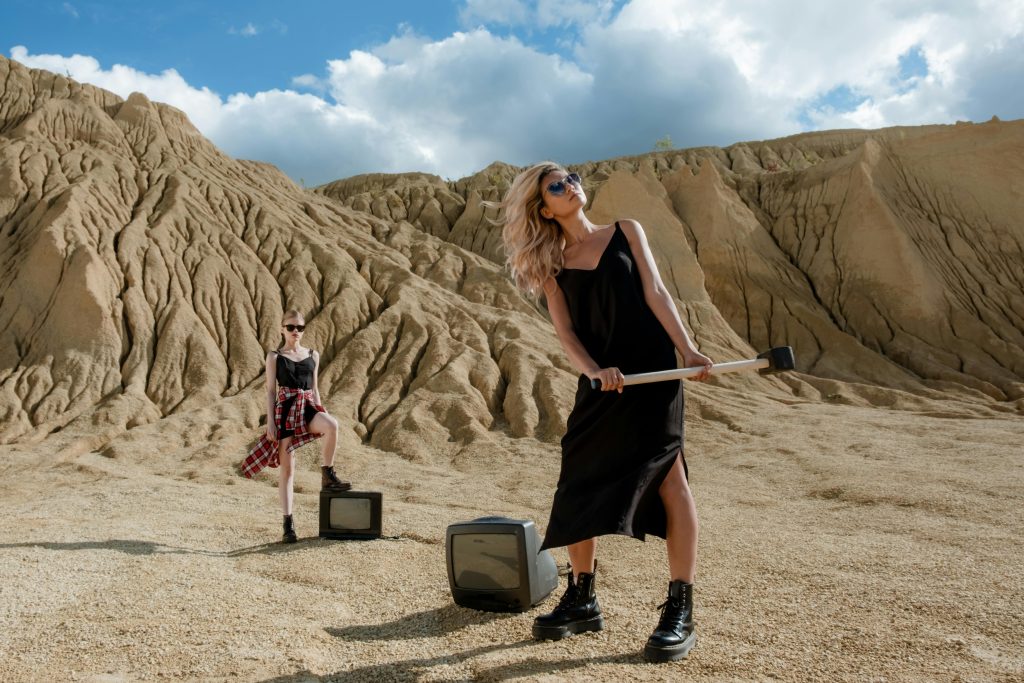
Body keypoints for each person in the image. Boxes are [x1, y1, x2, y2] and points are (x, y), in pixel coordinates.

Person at [491, 162, 713, 662]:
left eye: (570, 177)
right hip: (602, 383)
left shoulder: (625, 230)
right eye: (555, 186)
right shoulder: (551, 262)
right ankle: (582, 598)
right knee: (578, 483)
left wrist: (689, 351)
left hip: (653, 375)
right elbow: (566, 334)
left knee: (670, 481)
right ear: (543, 208)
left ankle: (680, 608)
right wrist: (594, 371)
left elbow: (656, 294)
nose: (569, 185)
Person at [241, 310, 351, 543]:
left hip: (308, 405)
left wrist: (321, 410)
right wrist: (270, 422)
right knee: (288, 470)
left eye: (300, 328)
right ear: (282, 329)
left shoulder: (313, 354)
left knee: (332, 425)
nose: (295, 332)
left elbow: (316, 388)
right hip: (286, 410)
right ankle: (288, 523)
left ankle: (327, 473)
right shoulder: (274, 357)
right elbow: (271, 391)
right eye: (291, 327)